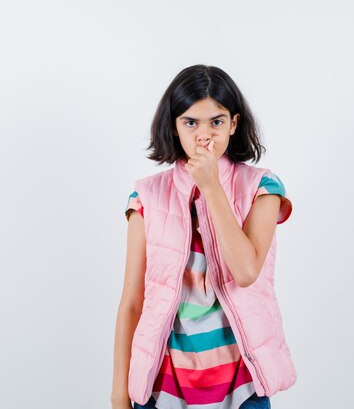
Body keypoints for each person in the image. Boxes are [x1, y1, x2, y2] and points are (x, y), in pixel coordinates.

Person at [111, 65, 296, 409]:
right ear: (174, 125)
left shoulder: (262, 188)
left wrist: (211, 188)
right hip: (161, 388)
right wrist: (119, 396)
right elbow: (132, 302)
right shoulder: (145, 198)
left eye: (216, 121)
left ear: (234, 124)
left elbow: (245, 272)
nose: (203, 135)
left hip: (241, 387)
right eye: (190, 122)